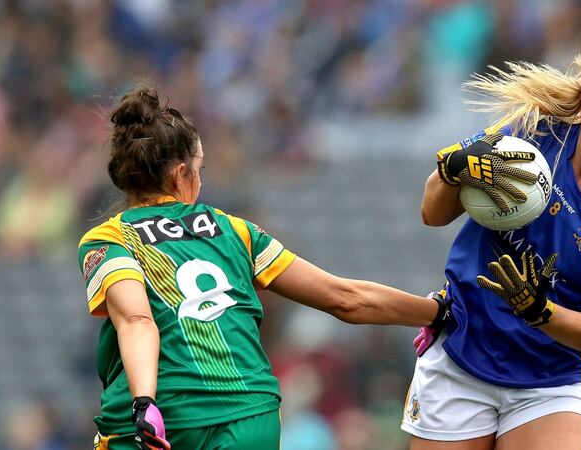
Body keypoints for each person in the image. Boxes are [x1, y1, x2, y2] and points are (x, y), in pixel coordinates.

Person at [77, 85, 450, 450]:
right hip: (250, 415)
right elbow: (346, 299)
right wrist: (437, 311)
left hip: (170, 416)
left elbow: (137, 320)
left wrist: (144, 402)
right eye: (198, 168)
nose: (200, 179)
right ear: (179, 175)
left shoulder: (108, 239)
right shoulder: (235, 231)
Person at [401, 34, 581, 450]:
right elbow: (433, 214)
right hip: (463, 350)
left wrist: (538, 310)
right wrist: (451, 171)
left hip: (550, 380)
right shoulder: (532, 133)